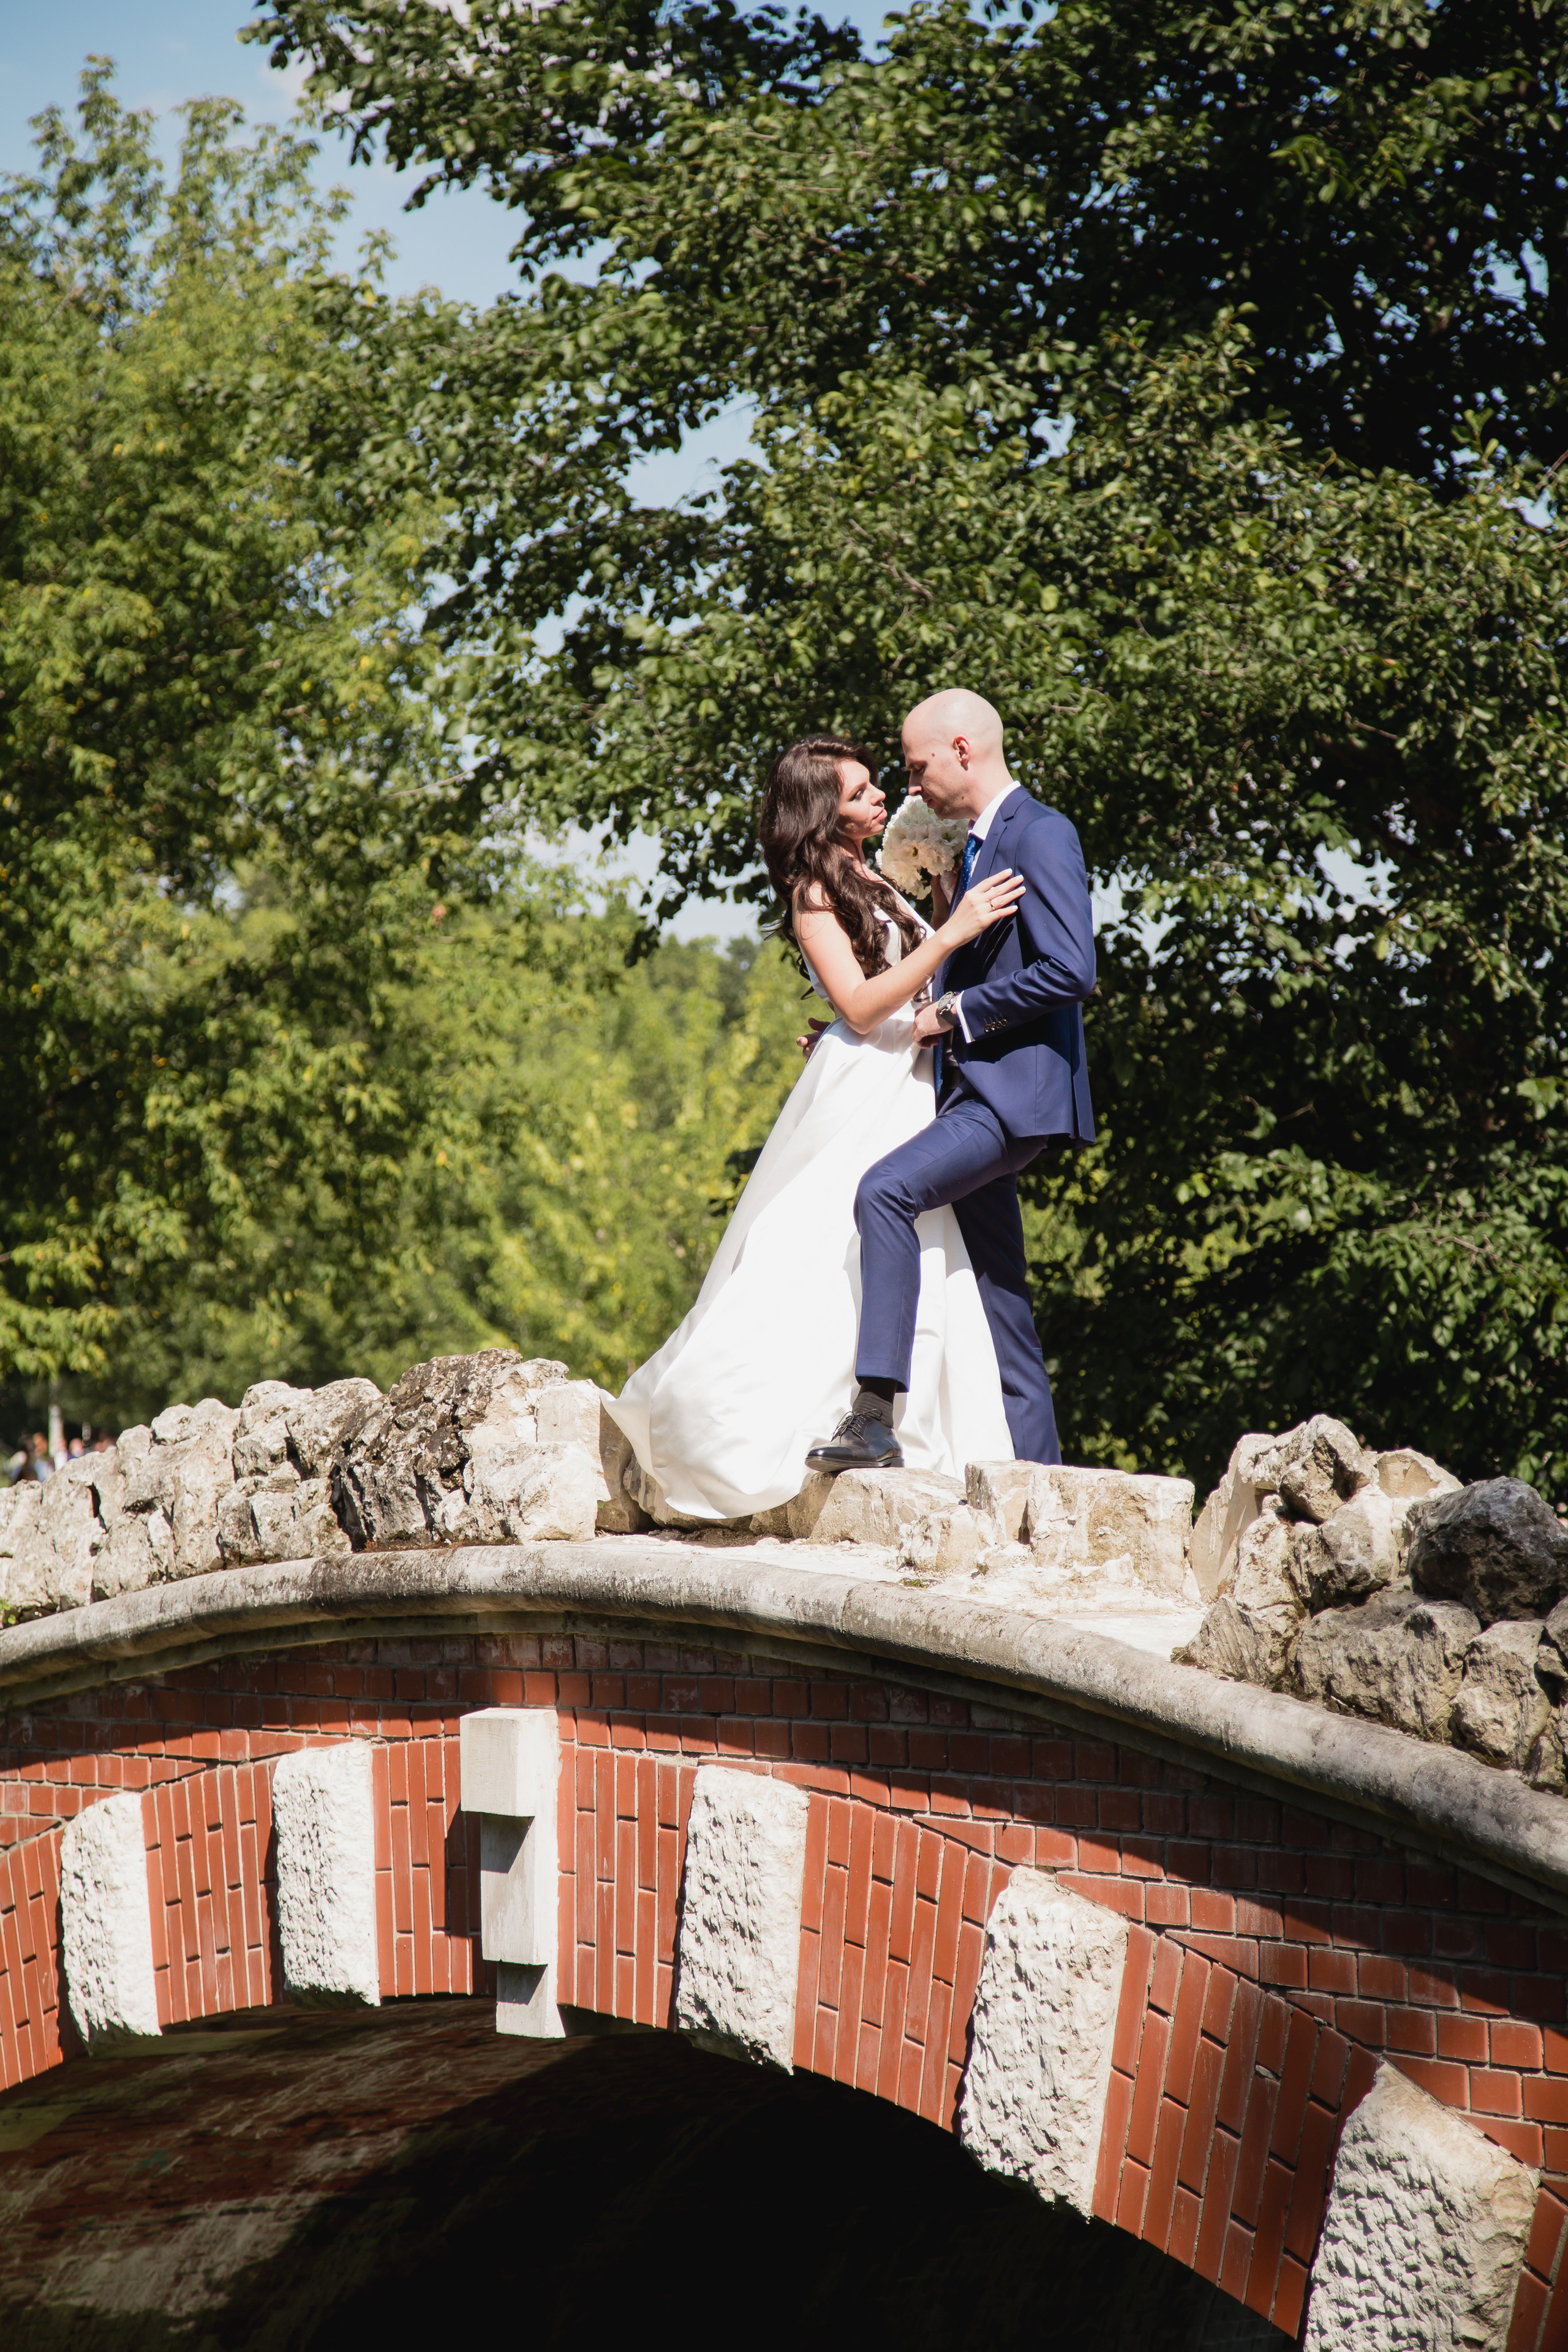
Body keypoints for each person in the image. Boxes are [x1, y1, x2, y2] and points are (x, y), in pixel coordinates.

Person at [603, 734, 1025, 1523]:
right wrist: (954, 929)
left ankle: (897, 1414)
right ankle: (791, 1412)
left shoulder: (873, 876)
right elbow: (862, 1009)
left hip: (911, 1070)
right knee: (824, 1238)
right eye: (862, 791)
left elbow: (904, 981)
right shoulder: (810, 892)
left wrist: (936, 903)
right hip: (865, 1079)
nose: (879, 800)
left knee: (912, 1239)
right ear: (821, 809)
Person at [807, 688, 1096, 1476]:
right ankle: (1045, 1481)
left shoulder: (1039, 832)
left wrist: (959, 1013)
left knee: (885, 1192)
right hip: (971, 1091)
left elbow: (1071, 969)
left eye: (915, 766)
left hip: (1010, 1096)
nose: (909, 786)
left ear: (961, 751)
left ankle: (873, 1417)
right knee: (1004, 1309)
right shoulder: (972, 845)